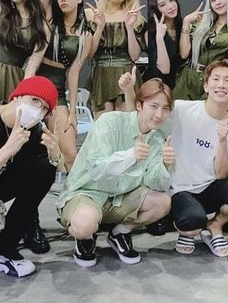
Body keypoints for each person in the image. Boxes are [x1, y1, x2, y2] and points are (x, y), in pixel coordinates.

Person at [57, 78, 176, 268]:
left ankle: (120, 232)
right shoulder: (110, 122)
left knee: (163, 202)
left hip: (120, 198)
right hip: (87, 193)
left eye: (165, 109)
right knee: (84, 224)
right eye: (154, 106)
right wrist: (131, 155)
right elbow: (96, 168)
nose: (159, 114)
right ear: (139, 105)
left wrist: (165, 165)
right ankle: (85, 237)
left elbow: (155, 183)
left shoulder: (157, 140)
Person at [0, 76, 60, 277]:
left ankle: (2, 249)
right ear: (17, 97)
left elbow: (51, 169)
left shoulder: (32, 130)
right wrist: (6, 151)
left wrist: (55, 155)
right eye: (34, 100)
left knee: (45, 167)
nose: (37, 109)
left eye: (44, 108)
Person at [169, 60, 228, 257]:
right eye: (216, 79)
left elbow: (222, 174)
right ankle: (189, 230)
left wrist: (222, 142)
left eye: (227, 80)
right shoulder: (182, 109)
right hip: (180, 189)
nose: (221, 85)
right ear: (206, 86)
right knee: (192, 221)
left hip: (210, 187)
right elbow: (149, 116)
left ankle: (214, 226)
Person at [37, 0, 92, 171]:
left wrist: (72, 112)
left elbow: (74, 73)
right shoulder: (49, 19)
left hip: (57, 91)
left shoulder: (85, 35)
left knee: (70, 153)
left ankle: (73, 189)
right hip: (33, 83)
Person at [85, 0, 145, 119]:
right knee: (104, 125)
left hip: (125, 72)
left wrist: (129, 28)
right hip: (101, 75)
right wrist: (100, 27)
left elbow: (134, 56)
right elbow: (90, 53)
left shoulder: (133, 17)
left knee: (126, 123)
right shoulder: (91, 14)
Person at [143, 0, 185, 89]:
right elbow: (164, 69)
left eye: (171, 0)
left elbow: (184, 55)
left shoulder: (183, 26)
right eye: (162, 5)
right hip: (156, 86)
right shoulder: (150, 33)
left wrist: (187, 23)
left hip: (181, 85)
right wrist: (159, 38)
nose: (170, 6)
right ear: (155, 9)